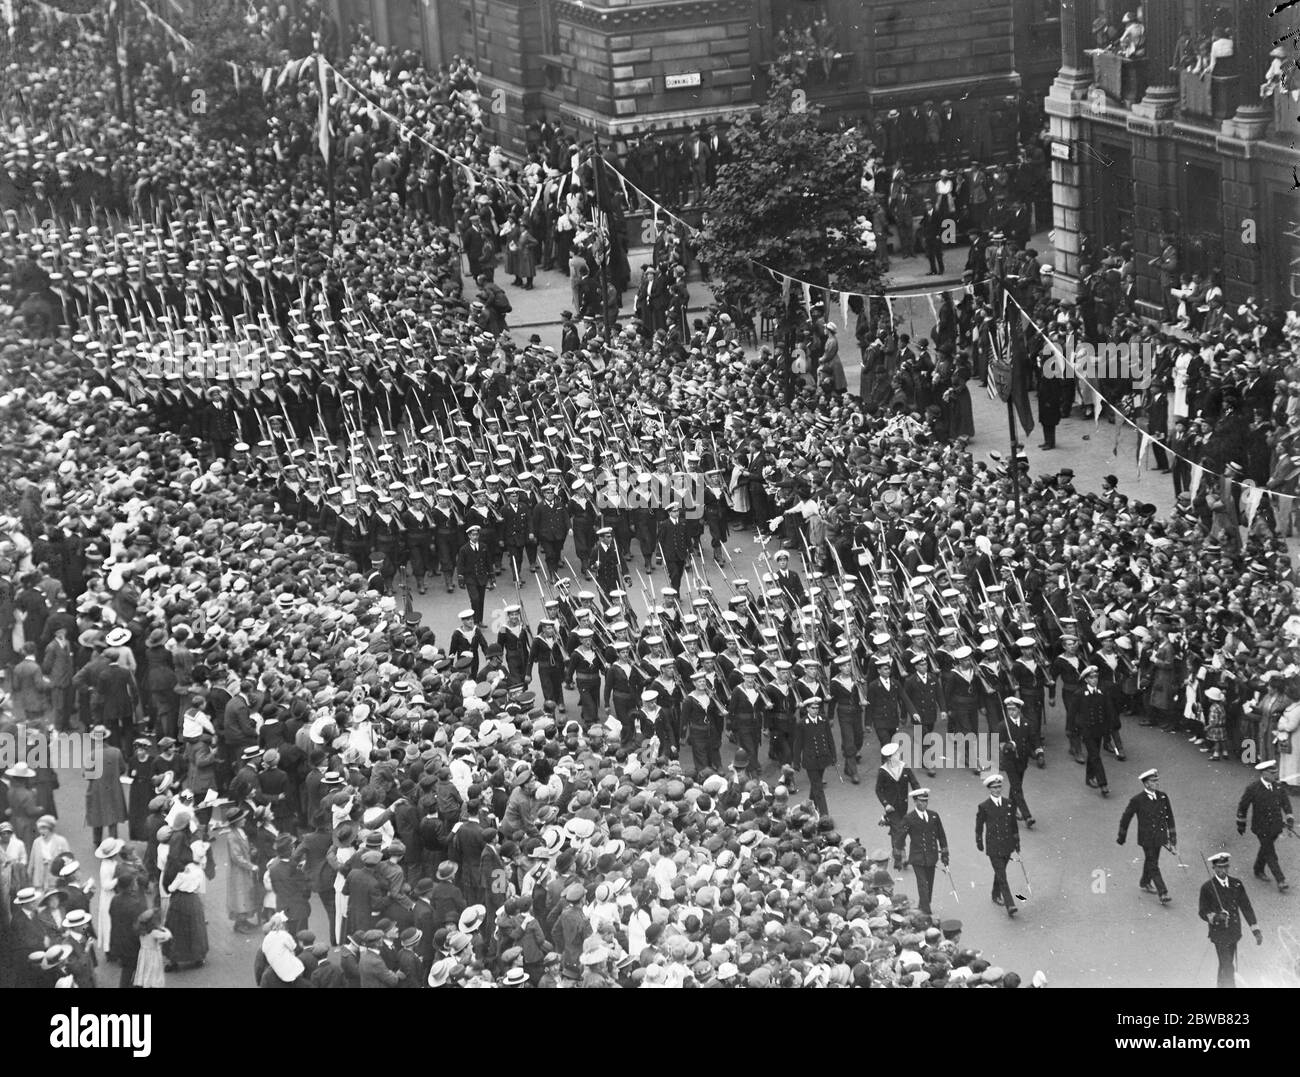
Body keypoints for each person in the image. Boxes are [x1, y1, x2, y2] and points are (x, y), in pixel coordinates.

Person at [1197, 852, 1261, 989]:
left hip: (1234, 933)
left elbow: (1246, 907)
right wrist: (1216, 917)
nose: (1223, 870)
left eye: (1225, 867)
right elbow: (1202, 912)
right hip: (1218, 934)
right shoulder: (1207, 887)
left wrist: (1255, 930)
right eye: (1219, 867)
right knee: (1228, 966)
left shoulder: (1236, 884)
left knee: (1225, 964)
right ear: (1214, 868)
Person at [1117, 768, 1176, 904]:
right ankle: (1163, 893)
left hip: (1160, 837)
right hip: (1146, 839)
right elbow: (1126, 818)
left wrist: (1172, 839)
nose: (1157, 783)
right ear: (1146, 784)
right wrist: (1122, 836)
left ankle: (1144, 881)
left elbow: (1170, 818)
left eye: (1157, 781)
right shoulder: (1137, 800)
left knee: (1152, 860)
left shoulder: (1163, 797)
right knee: (1153, 863)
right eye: (1153, 781)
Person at [1235, 760, 1293, 892]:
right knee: (1271, 853)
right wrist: (1241, 823)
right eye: (1273, 773)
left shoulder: (1279, 787)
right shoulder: (1253, 788)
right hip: (1261, 827)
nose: (1276, 775)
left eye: (1276, 772)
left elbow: (1286, 804)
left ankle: (1258, 869)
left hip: (1276, 827)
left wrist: (1289, 818)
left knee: (1266, 849)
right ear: (1264, 773)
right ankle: (1281, 880)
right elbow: (1243, 806)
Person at [975, 773, 1021, 918]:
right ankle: (1010, 904)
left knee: (1000, 872)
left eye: (999, 787)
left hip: (1007, 845)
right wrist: (979, 841)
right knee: (1002, 875)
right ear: (989, 789)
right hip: (994, 846)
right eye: (994, 787)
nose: (997, 789)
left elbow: (1013, 824)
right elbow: (979, 825)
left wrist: (1017, 842)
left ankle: (995, 893)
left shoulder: (1008, 803)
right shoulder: (984, 806)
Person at [900, 788, 948, 915]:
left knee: (929, 884)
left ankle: (923, 905)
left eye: (926, 801)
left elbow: (941, 835)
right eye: (921, 801)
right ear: (915, 802)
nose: (924, 804)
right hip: (917, 857)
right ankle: (927, 912)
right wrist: (899, 852)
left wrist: (945, 853)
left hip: (931, 857)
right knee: (922, 884)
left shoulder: (934, 815)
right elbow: (901, 836)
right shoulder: (909, 818)